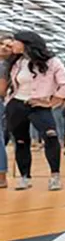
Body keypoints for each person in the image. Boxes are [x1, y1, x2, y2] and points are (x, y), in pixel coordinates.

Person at [2, 31, 65, 191]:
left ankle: (55, 177)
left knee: (51, 137)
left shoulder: (52, 62)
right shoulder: (16, 62)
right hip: (17, 105)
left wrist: (51, 102)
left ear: (26, 43)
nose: (12, 44)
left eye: (15, 41)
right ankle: (25, 178)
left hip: (39, 106)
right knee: (21, 141)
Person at [0, 35, 11, 189]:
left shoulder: (5, 66)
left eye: (8, 46)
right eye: (1, 44)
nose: (3, 47)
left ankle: (1, 175)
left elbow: (2, 91)